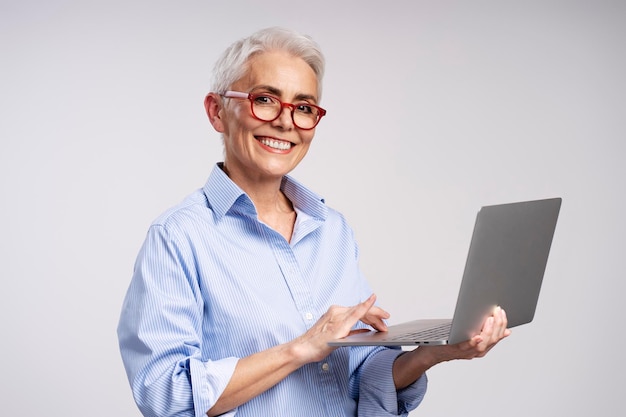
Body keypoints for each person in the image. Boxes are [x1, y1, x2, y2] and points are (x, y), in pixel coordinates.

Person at [117, 27, 510, 417]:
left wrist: (431, 354)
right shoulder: (178, 238)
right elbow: (163, 393)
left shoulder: (332, 231)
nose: (286, 122)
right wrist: (300, 348)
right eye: (265, 99)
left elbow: (360, 377)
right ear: (217, 111)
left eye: (303, 107)